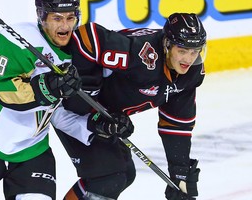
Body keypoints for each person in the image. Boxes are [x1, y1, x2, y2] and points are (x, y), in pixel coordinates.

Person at [51, 12, 207, 199]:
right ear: (167, 45)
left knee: (124, 173)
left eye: (194, 51)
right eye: (182, 51)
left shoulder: (191, 73)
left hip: (99, 115)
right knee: (109, 176)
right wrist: (86, 99)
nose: (188, 60)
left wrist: (179, 173)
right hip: (65, 101)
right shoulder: (141, 54)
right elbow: (87, 37)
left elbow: (176, 124)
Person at [0, 0, 83, 199]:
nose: (65, 25)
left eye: (70, 17)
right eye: (57, 18)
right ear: (42, 16)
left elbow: (64, 111)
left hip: (33, 150)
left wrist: (96, 124)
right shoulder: (17, 40)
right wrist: (48, 87)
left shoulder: (80, 51)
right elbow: (5, 90)